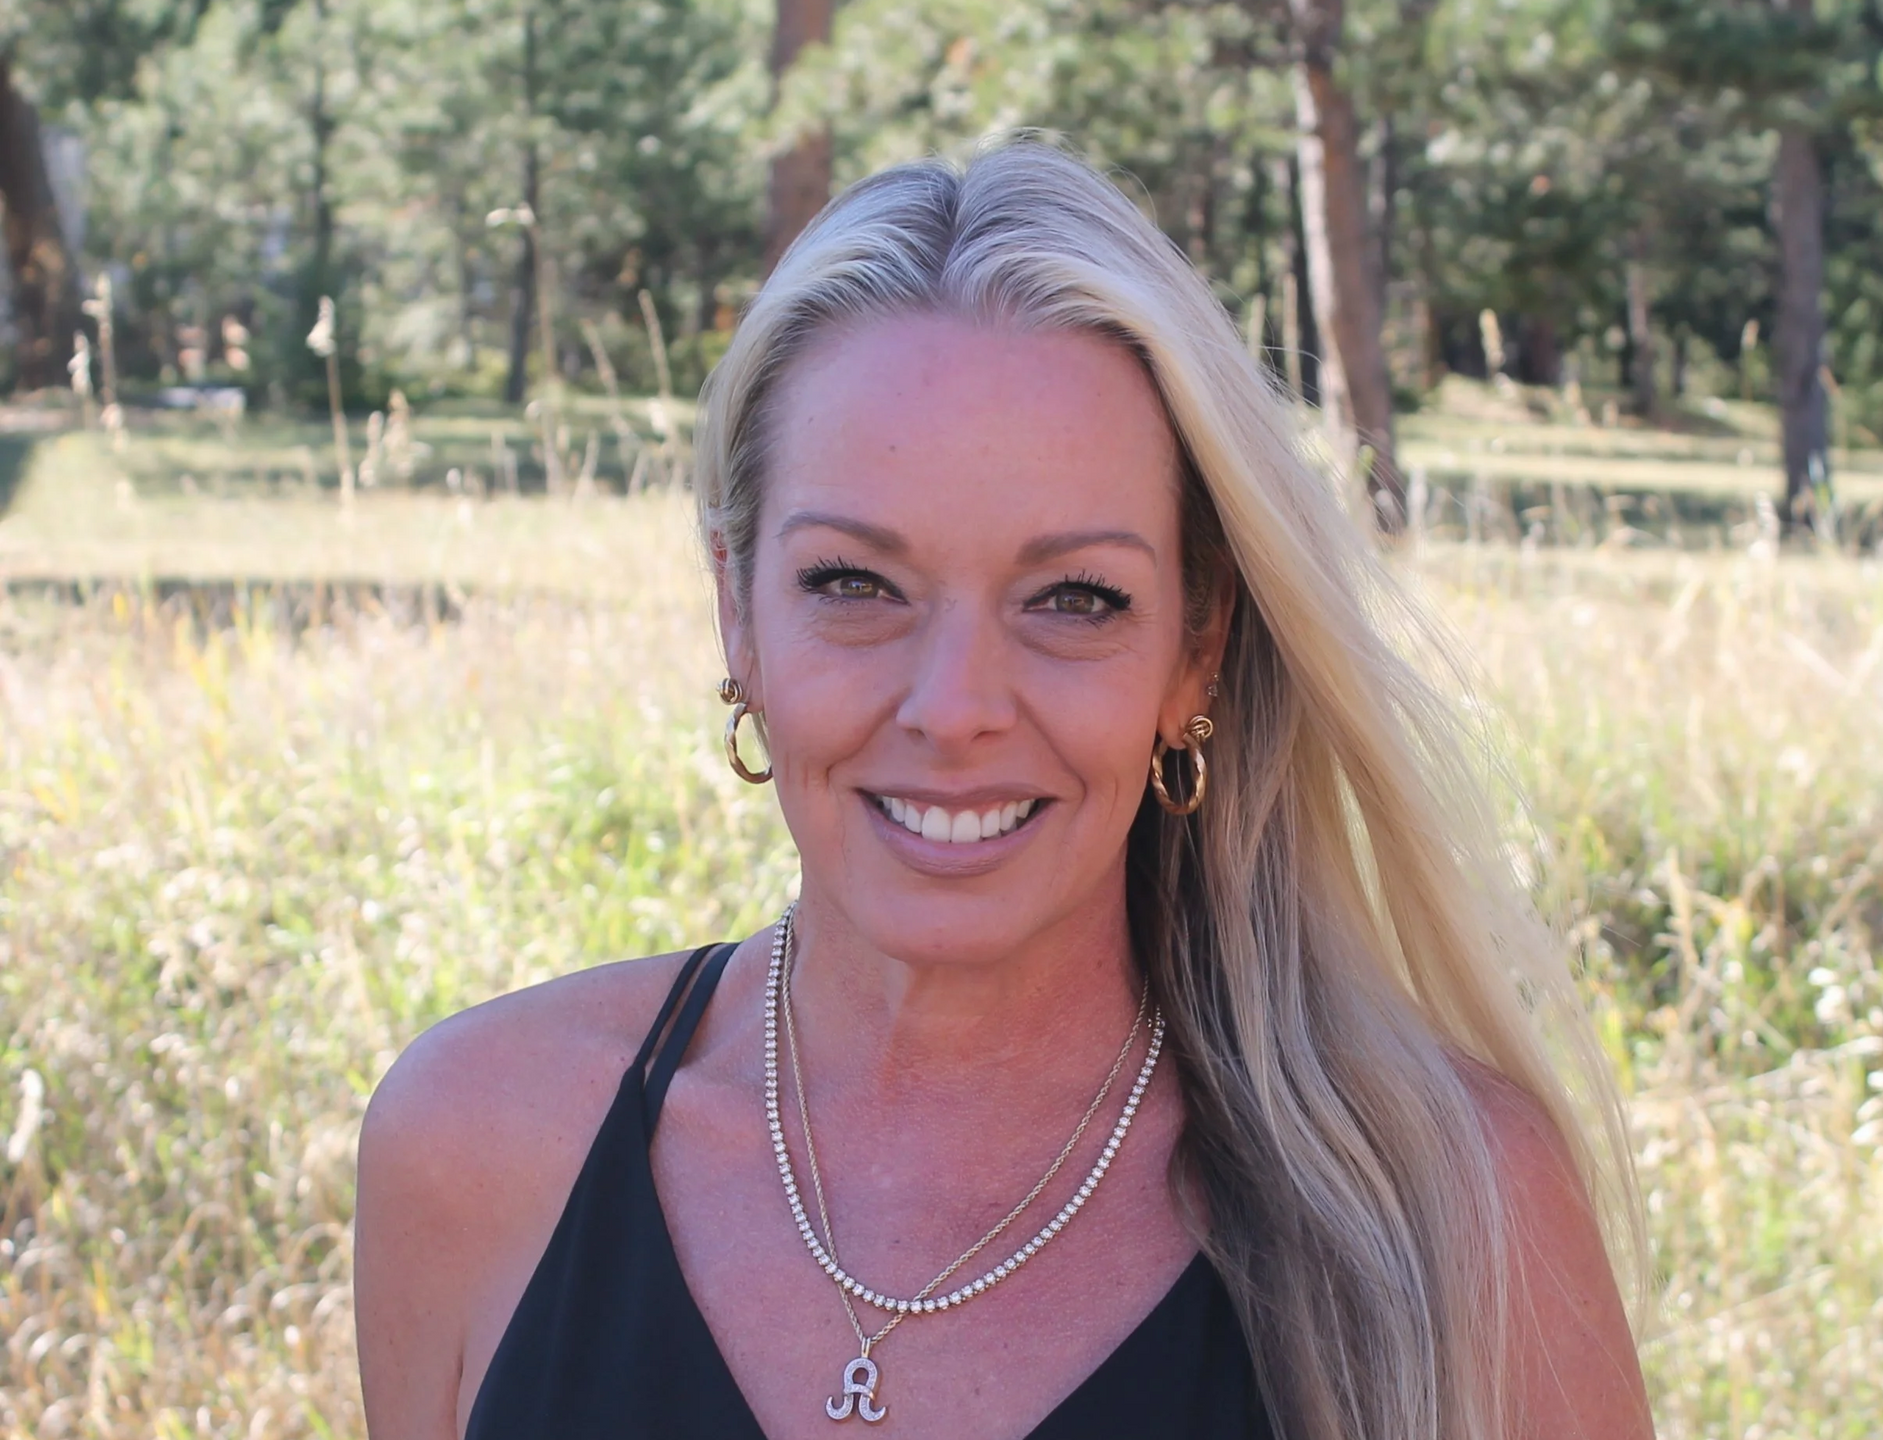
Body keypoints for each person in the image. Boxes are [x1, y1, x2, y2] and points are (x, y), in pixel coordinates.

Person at [354, 142, 1651, 1440]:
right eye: (855, 585)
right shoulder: (478, 1149)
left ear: (1193, 648)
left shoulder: (1454, 1215)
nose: (956, 705)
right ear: (735, 613)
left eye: (1073, 599)